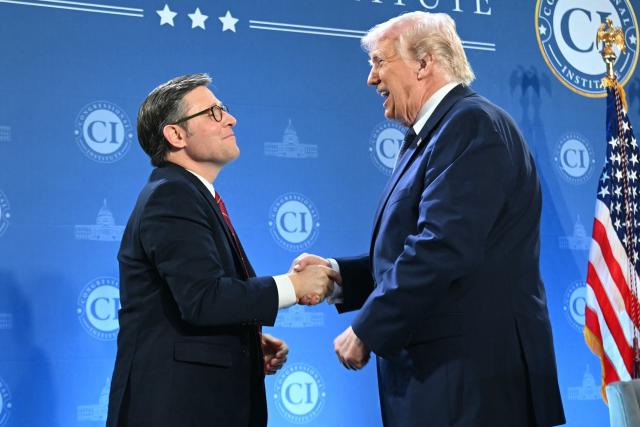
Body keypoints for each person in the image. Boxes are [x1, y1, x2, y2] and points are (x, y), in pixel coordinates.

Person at [295, 12, 566, 427]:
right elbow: (416, 246)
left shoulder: (471, 125)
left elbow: (443, 246)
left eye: (380, 62)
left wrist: (369, 327)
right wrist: (340, 277)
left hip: (473, 383)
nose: (371, 78)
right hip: (446, 380)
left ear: (424, 63)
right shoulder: (436, 133)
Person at [106, 73, 335, 427]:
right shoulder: (172, 195)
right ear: (176, 134)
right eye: (212, 113)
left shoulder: (190, 194)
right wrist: (293, 286)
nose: (230, 119)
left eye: (224, 110)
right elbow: (204, 298)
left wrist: (241, 343)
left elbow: (186, 303)